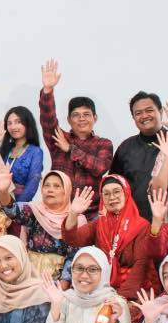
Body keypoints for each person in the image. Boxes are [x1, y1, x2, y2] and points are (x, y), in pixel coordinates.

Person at [62, 175, 155, 313]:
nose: (112, 197)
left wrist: (119, 298)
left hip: (131, 290)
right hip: (103, 286)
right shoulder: (99, 224)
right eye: (106, 194)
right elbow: (73, 238)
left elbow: (140, 265)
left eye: (117, 191)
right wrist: (73, 213)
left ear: (126, 193)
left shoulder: (142, 226)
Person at [37, 60, 112, 215]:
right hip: (58, 213)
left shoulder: (103, 143)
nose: (81, 119)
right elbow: (47, 119)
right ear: (69, 120)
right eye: (76, 115)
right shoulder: (60, 138)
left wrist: (70, 149)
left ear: (95, 118)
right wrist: (47, 90)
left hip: (90, 214)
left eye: (86, 114)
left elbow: (100, 168)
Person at [0, 169, 84, 285]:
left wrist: (62, 287)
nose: (50, 190)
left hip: (56, 282)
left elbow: (73, 257)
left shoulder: (75, 219)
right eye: (46, 185)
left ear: (67, 191)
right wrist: (3, 191)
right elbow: (12, 210)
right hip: (28, 278)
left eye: (56, 186)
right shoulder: (35, 210)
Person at [111, 91, 168, 220]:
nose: (144, 116)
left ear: (160, 112)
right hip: (133, 220)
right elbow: (114, 183)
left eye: (149, 110)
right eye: (138, 113)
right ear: (133, 118)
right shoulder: (125, 147)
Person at [0, 106, 46, 203]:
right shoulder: (6, 149)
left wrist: (15, 207)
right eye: (9, 123)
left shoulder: (35, 152)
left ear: (27, 123)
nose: (13, 127)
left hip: (20, 203)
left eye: (18, 122)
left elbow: (33, 183)